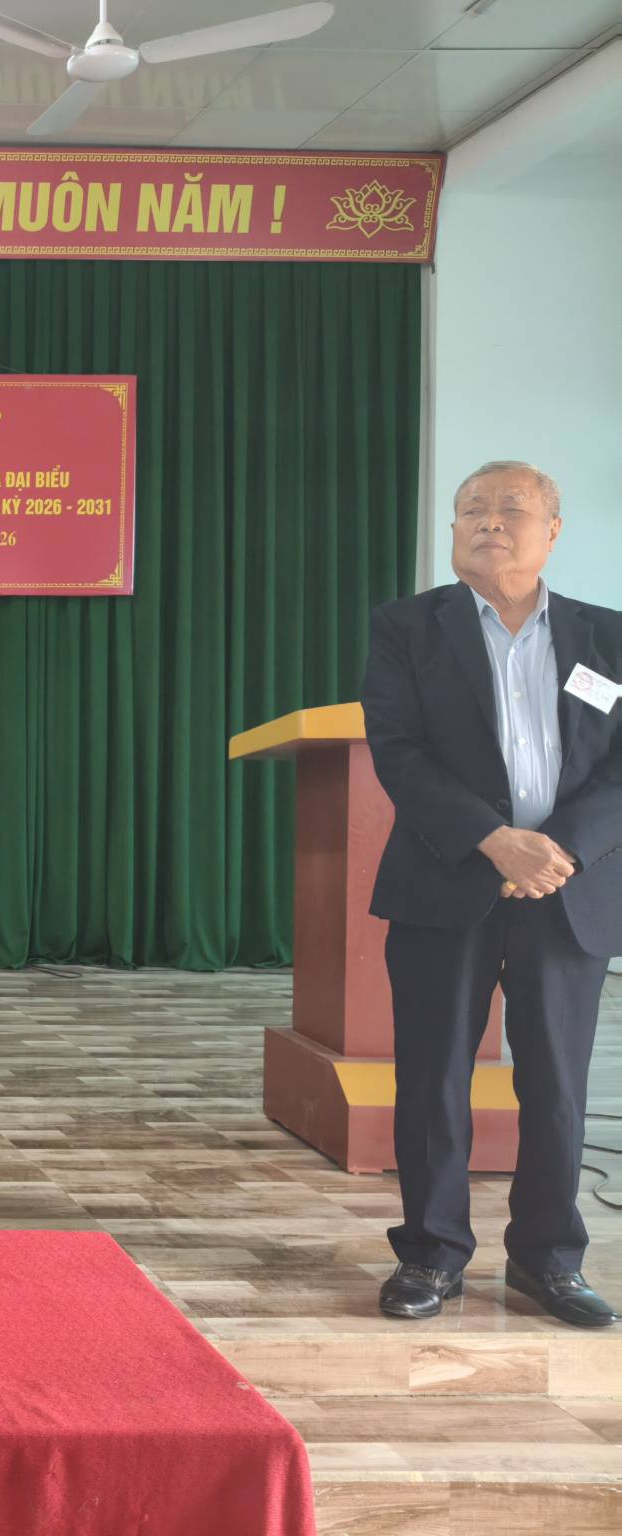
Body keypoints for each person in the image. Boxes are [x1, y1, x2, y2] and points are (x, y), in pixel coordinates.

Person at [362, 460, 622, 1328]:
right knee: (433, 1079)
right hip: (446, 881)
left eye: (511, 509)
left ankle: (548, 1261)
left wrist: (557, 850)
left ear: (554, 531)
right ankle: (431, 1257)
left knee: (556, 1085)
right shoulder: (408, 627)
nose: (488, 522)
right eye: (471, 509)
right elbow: (398, 751)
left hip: (566, 891)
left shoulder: (608, 636)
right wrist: (495, 840)